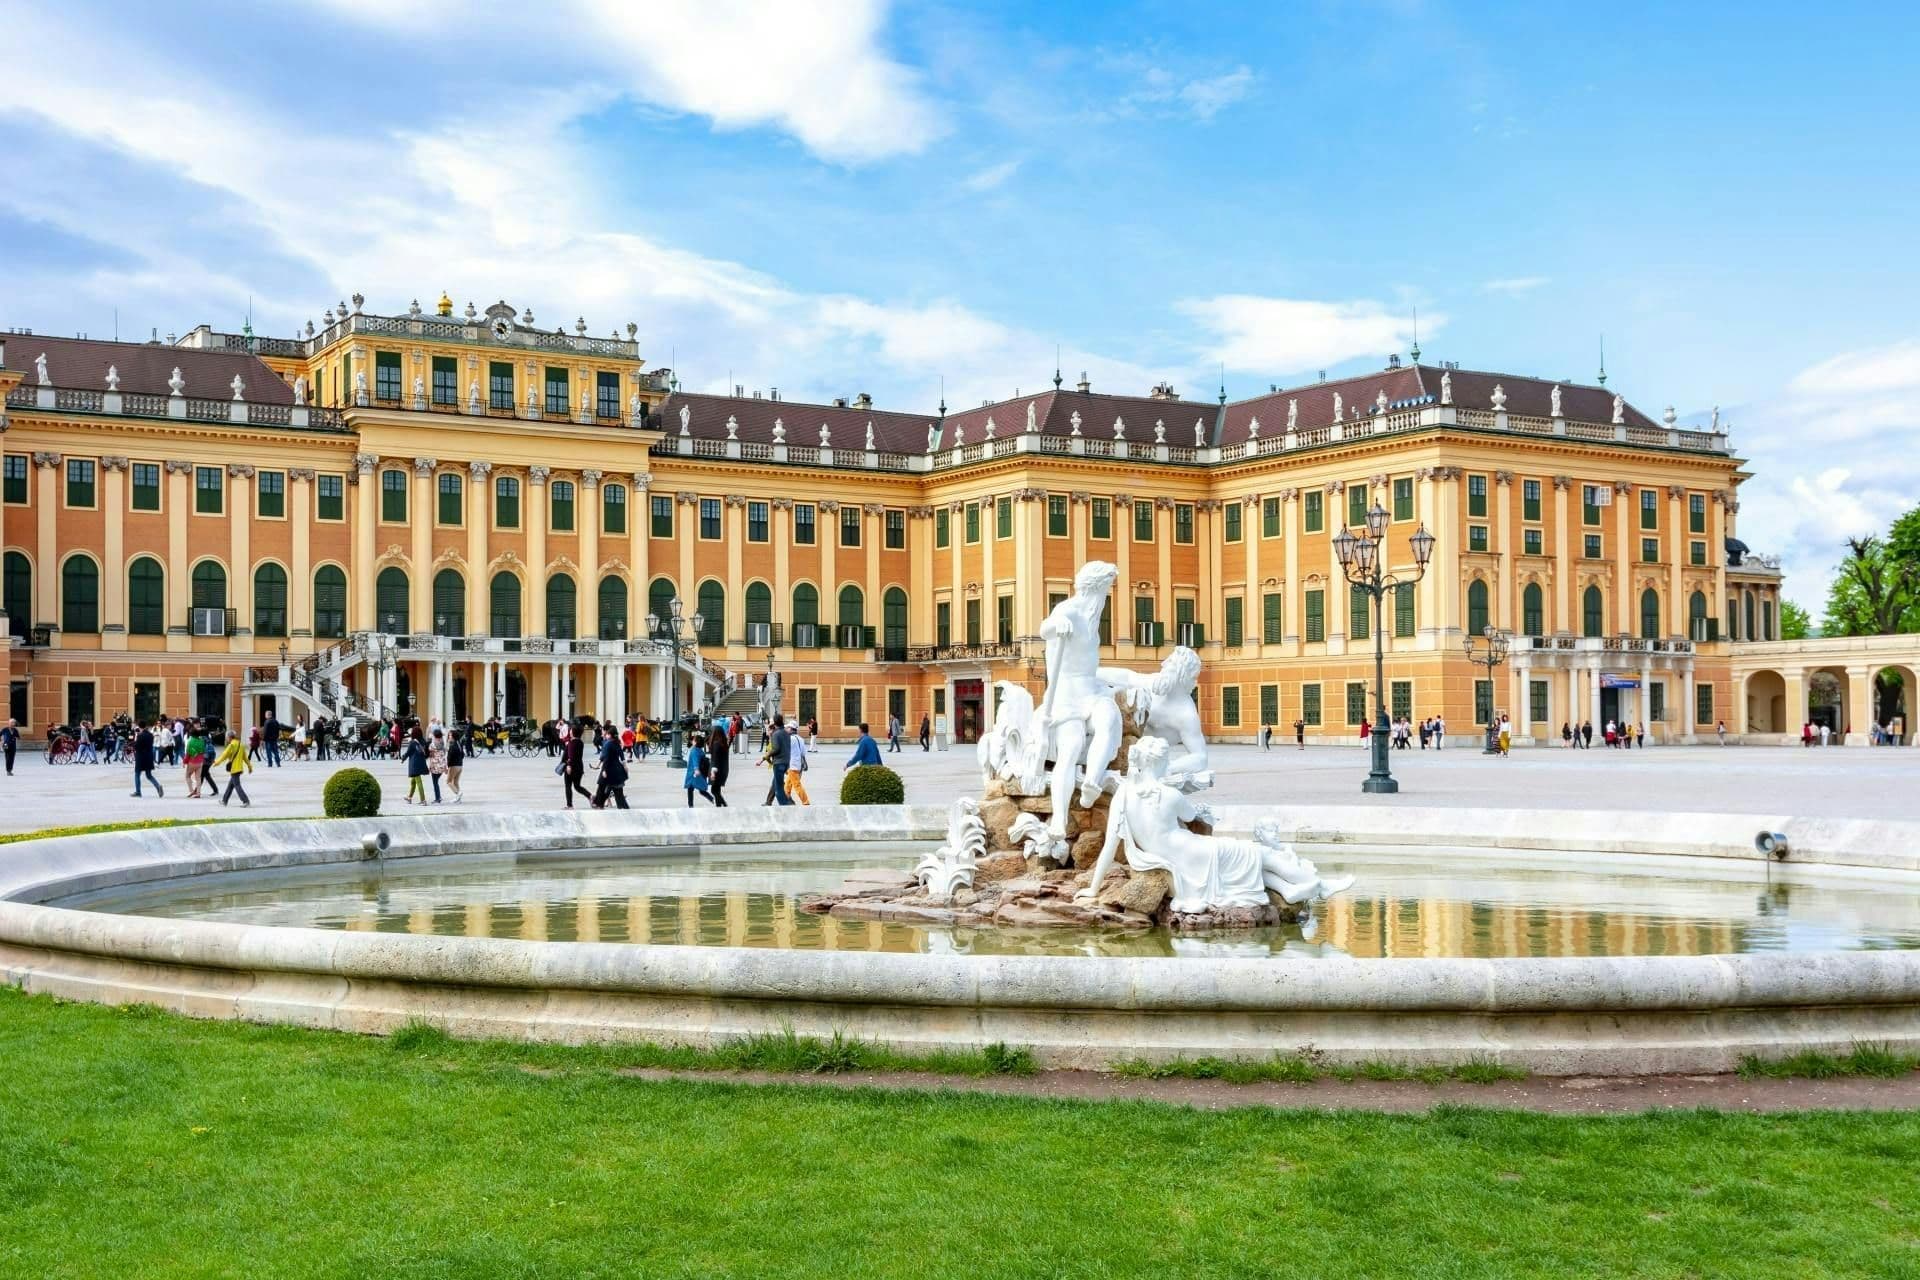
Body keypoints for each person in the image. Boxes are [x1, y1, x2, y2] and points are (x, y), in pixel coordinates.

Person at [595, 721, 630, 809]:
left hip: (609, 770)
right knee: (617, 791)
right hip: (617, 770)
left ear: (609, 735)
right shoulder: (616, 742)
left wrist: (604, 770)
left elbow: (606, 758)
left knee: (603, 788)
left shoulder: (608, 744)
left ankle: (599, 805)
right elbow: (621, 755)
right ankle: (622, 807)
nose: (605, 735)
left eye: (606, 734)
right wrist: (625, 765)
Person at [213, 731, 252, 807]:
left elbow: (224, 755)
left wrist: (216, 762)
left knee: (237, 785)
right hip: (239, 768)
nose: (226, 738)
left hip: (234, 769)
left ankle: (245, 801)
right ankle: (224, 801)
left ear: (229, 737)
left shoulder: (231, 745)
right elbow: (245, 758)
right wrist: (249, 766)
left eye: (227, 737)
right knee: (230, 785)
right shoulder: (241, 745)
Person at [765, 714, 793, 805]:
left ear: (775, 722)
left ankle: (785, 805)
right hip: (786, 761)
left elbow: (776, 749)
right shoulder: (786, 732)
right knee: (776, 783)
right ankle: (768, 802)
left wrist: (768, 754)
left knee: (778, 788)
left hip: (779, 762)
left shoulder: (776, 734)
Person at [131, 721, 164, 798]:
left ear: (139, 727)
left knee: (137, 774)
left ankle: (138, 791)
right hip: (149, 756)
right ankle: (158, 786)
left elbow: (137, 746)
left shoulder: (140, 735)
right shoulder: (150, 735)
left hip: (141, 757)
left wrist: (135, 740)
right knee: (149, 775)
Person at [561, 728, 592, 809]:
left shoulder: (571, 743)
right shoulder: (580, 742)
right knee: (577, 786)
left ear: (573, 732)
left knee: (568, 786)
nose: (570, 731)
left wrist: (568, 765)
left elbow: (571, 756)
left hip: (571, 768)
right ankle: (590, 796)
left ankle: (569, 805)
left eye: (571, 730)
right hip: (579, 767)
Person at [684, 731, 715, 807]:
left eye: (694, 740)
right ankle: (711, 799)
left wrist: (696, 769)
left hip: (693, 773)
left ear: (696, 742)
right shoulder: (700, 751)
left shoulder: (694, 751)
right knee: (701, 790)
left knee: (690, 789)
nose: (692, 741)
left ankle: (690, 806)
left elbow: (695, 761)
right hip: (700, 773)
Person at [786, 720, 811, 805]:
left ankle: (805, 801)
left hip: (793, 765)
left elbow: (786, 751)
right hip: (799, 765)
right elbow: (803, 753)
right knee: (788, 783)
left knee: (796, 785)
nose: (786, 729)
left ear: (791, 729)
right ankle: (787, 799)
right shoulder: (801, 739)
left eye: (788, 727)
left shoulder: (790, 739)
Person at [707, 721, 731, 807]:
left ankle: (723, 805)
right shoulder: (723, 744)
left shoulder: (716, 744)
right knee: (717, 790)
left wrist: (713, 772)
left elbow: (715, 759)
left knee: (714, 790)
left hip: (716, 770)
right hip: (723, 770)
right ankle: (721, 805)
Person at [403, 727, 429, 804]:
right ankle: (409, 797)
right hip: (422, 762)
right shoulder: (423, 741)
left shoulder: (413, 742)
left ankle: (423, 800)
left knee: (418, 781)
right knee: (413, 781)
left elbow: (408, 752)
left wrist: (403, 758)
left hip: (415, 764)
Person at [427, 727, 448, 804]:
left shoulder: (432, 745)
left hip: (435, 766)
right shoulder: (443, 744)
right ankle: (438, 797)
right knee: (436, 782)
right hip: (442, 766)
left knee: (435, 783)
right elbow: (444, 756)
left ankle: (438, 798)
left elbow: (431, 757)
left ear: (434, 735)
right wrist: (445, 767)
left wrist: (429, 767)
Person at [443, 726, 465, 802]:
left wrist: (447, 767)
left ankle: (458, 793)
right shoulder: (459, 744)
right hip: (460, 765)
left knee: (448, 781)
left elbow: (449, 758)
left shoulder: (452, 746)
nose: (449, 737)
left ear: (454, 736)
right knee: (455, 782)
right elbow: (463, 755)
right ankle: (458, 799)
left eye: (450, 735)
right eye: (448, 735)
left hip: (453, 766)